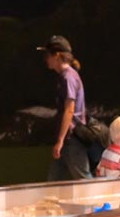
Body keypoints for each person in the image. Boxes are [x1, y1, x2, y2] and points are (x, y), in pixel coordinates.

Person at [38, 36, 106, 181]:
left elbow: (69, 110)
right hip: (67, 140)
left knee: (83, 178)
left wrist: (61, 140)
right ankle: (51, 202)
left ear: (56, 56)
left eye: (47, 55)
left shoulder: (68, 78)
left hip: (72, 138)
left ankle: (101, 202)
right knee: (54, 180)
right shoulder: (66, 76)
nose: (46, 59)